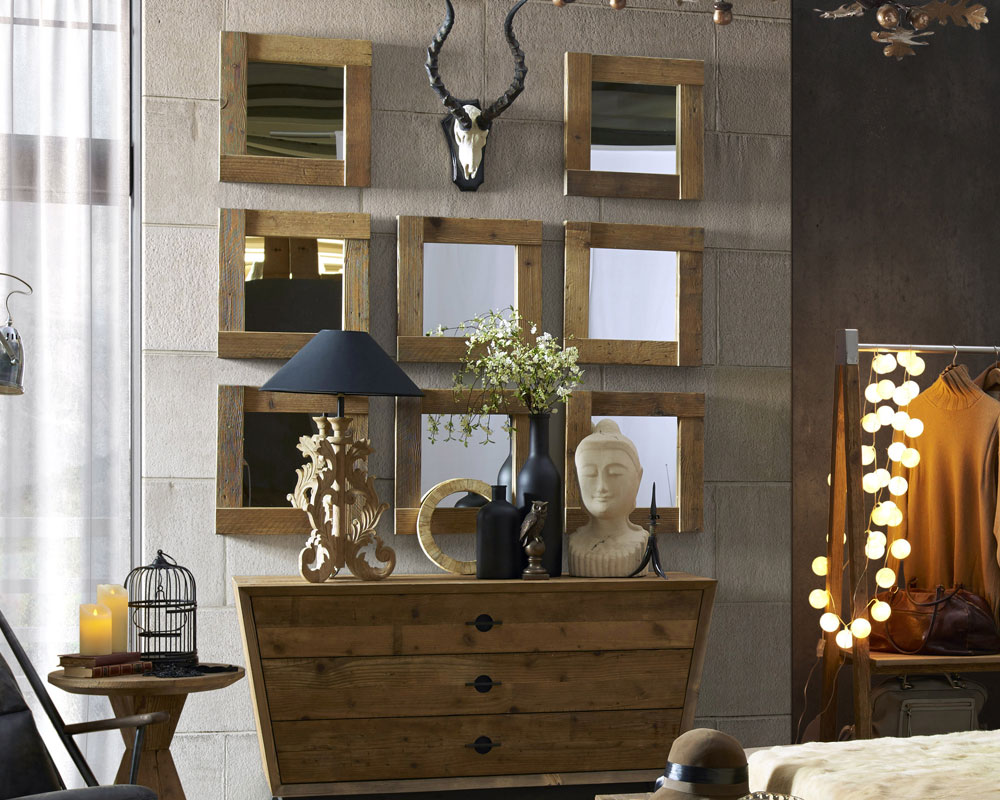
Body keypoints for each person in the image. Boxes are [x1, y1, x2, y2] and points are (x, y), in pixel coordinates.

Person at [568, 419, 647, 576]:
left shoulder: (641, 543)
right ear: (578, 480)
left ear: (638, 479)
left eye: (614, 473)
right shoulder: (576, 543)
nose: (602, 487)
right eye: (590, 474)